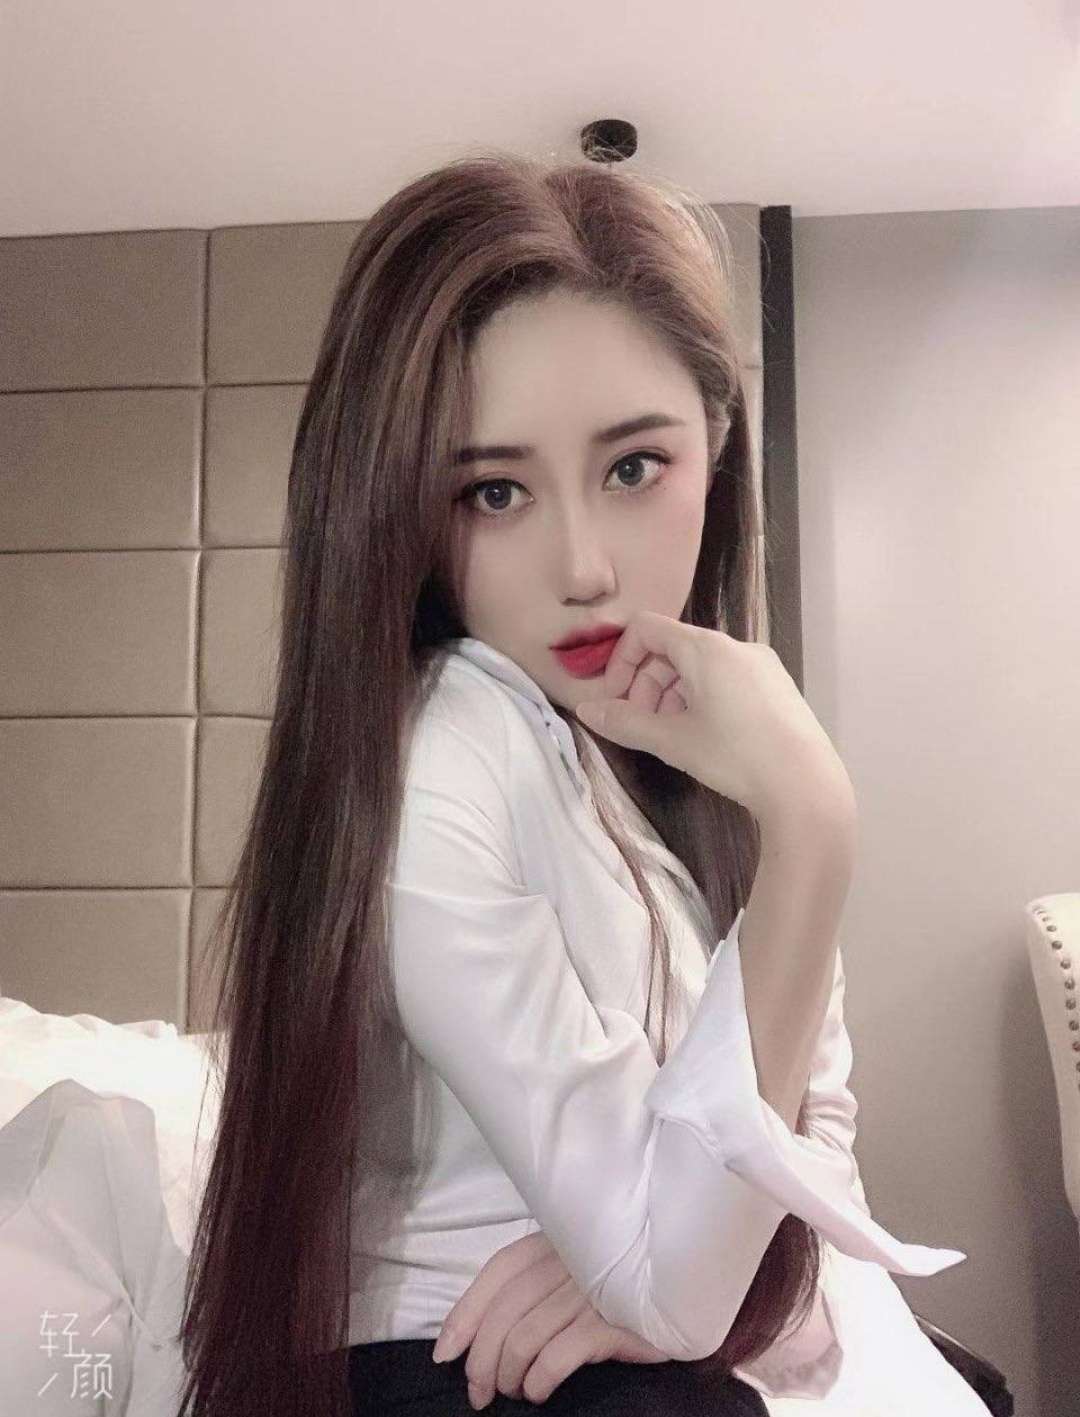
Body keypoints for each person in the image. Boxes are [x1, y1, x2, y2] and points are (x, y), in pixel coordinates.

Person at [176, 151, 973, 1417]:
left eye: (634, 467)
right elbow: (685, 1279)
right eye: (495, 492)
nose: (587, 567)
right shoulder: (442, 750)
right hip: (461, 1364)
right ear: (400, 509)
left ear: (715, 450)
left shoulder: (711, 768)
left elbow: (816, 1173)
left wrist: (659, 1258)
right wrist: (816, 824)